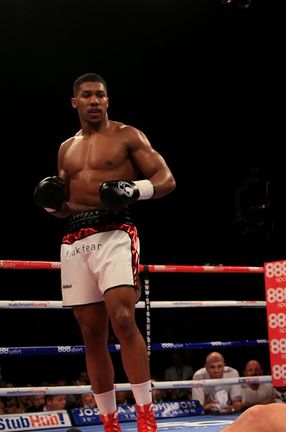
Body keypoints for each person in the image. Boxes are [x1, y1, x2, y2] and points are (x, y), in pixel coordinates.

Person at [33, 72, 176, 432]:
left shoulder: (127, 135)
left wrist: (134, 189)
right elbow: (65, 205)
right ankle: (109, 422)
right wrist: (51, 207)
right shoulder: (66, 148)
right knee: (91, 333)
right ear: (75, 102)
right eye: (87, 95)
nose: (94, 101)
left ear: (108, 101)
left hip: (115, 232)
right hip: (75, 238)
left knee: (124, 320)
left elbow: (166, 179)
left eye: (100, 95)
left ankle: (145, 416)